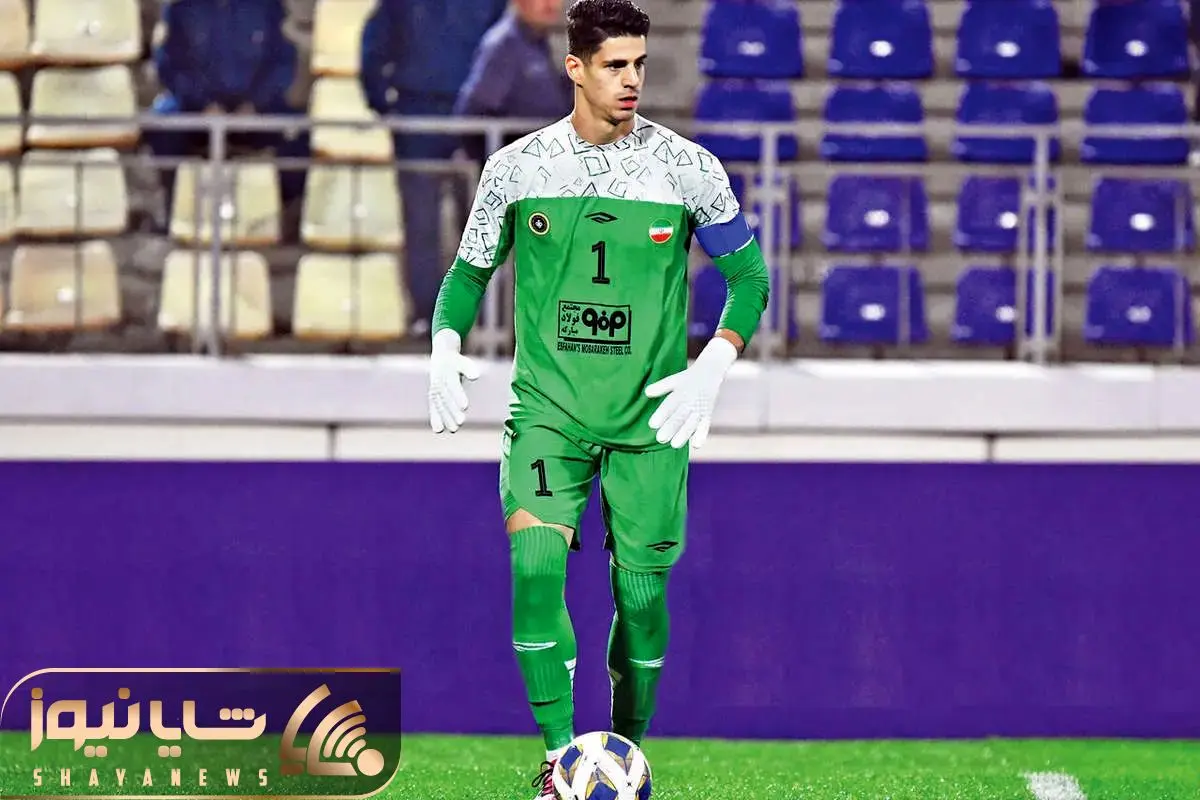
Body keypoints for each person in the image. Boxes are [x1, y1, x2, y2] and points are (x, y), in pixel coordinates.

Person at [425, 0, 770, 796]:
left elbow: (749, 278)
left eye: (639, 64)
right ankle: (559, 760)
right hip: (550, 412)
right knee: (535, 566)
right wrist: (443, 345)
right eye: (615, 65)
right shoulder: (517, 169)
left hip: (650, 420)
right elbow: (467, 276)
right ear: (575, 68)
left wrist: (716, 361)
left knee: (640, 601)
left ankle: (625, 751)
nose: (631, 79)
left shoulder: (688, 168)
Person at [453, 0, 575, 162]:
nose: (550, 3)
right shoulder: (505, 44)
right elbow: (472, 116)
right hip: (522, 159)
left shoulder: (543, 41)